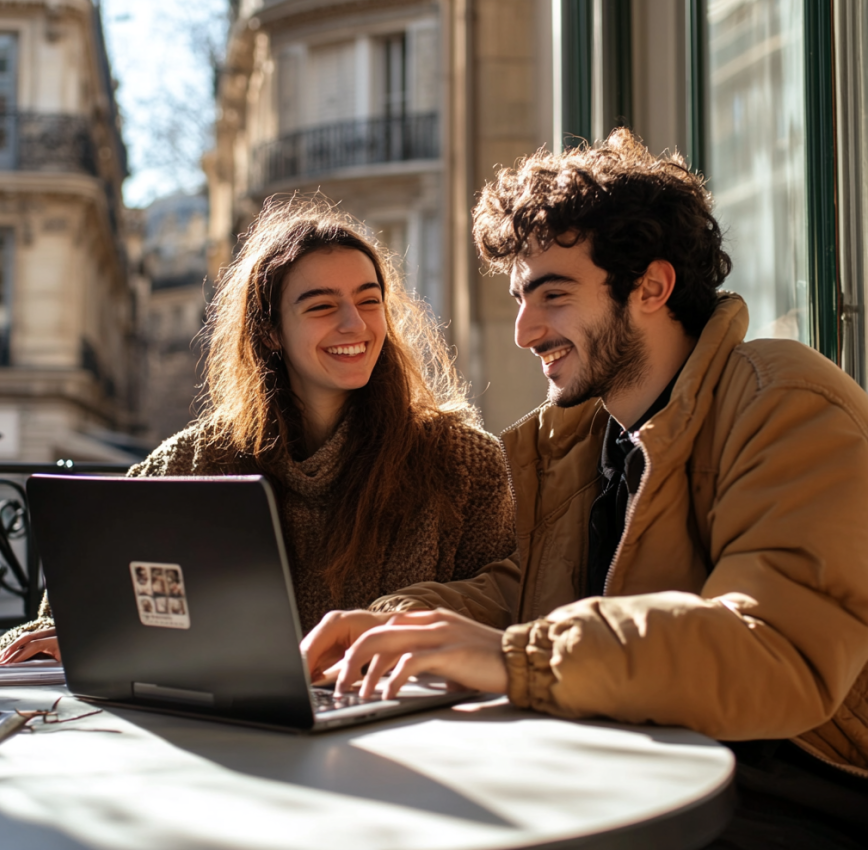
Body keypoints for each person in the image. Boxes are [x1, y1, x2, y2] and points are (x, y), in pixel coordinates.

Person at [302, 131, 868, 847]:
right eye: (518, 299)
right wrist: (392, 623)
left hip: (800, 785)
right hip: (646, 760)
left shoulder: (783, 398)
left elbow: (775, 649)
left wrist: (516, 659)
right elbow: (525, 590)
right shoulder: (571, 440)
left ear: (651, 287)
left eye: (553, 295)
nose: (524, 330)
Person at [0, 197, 518, 665]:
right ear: (268, 332)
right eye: (321, 307)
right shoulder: (193, 462)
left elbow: (508, 605)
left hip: (407, 736)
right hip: (229, 737)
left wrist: (399, 623)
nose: (355, 325)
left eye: (369, 299)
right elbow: (66, 612)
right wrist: (71, 632)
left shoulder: (462, 461)